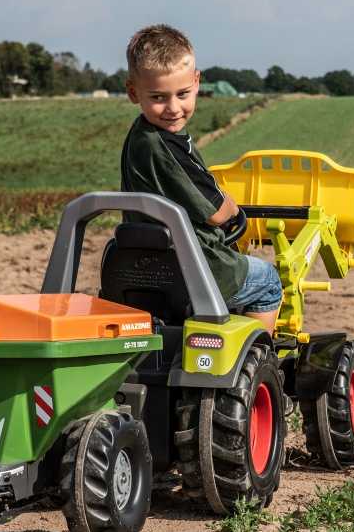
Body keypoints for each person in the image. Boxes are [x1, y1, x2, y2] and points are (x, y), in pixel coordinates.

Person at [120, 23, 282, 335]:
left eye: (181, 94)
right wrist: (233, 209)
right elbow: (216, 212)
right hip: (198, 269)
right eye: (158, 97)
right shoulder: (166, 148)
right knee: (269, 282)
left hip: (143, 268)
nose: (173, 108)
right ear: (132, 92)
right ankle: (258, 357)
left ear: (196, 82)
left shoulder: (140, 138)